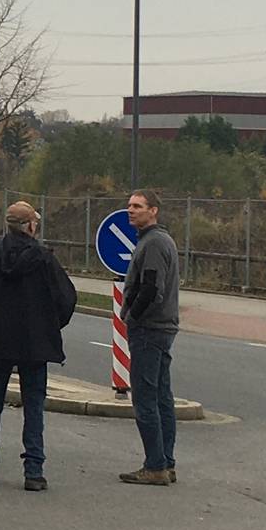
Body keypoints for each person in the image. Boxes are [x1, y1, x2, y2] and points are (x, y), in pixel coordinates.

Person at [0, 200, 77, 491]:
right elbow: (66, 299)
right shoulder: (43, 258)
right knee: (34, 404)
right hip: (35, 342)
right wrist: (49, 324)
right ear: (30, 226)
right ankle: (33, 471)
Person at [118, 189, 181, 486]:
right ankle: (166, 462)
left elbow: (151, 288)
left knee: (146, 397)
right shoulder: (156, 240)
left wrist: (131, 315)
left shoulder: (154, 243)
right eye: (130, 206)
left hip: (150, 329)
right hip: (161, 327)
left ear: (153, 210)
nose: (131, 210)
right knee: (161, 396)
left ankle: (155, 465)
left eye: (138, 206)